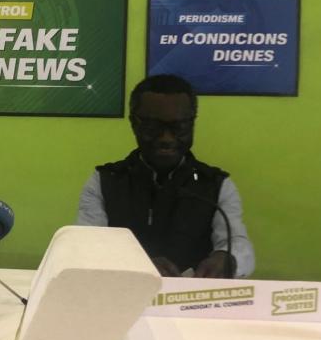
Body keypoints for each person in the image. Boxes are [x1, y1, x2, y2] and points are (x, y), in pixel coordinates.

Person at [77, 74, 254, 278]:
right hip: (121, 292)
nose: (166, 138)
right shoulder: (104, 181)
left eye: (179, 127)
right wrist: (135, 264)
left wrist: (227, 259)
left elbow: (238, 243)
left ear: (192, 124)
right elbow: (86, 247)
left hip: (193, 295)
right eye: (153, 127)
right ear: (134, 124)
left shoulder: (216, 184)